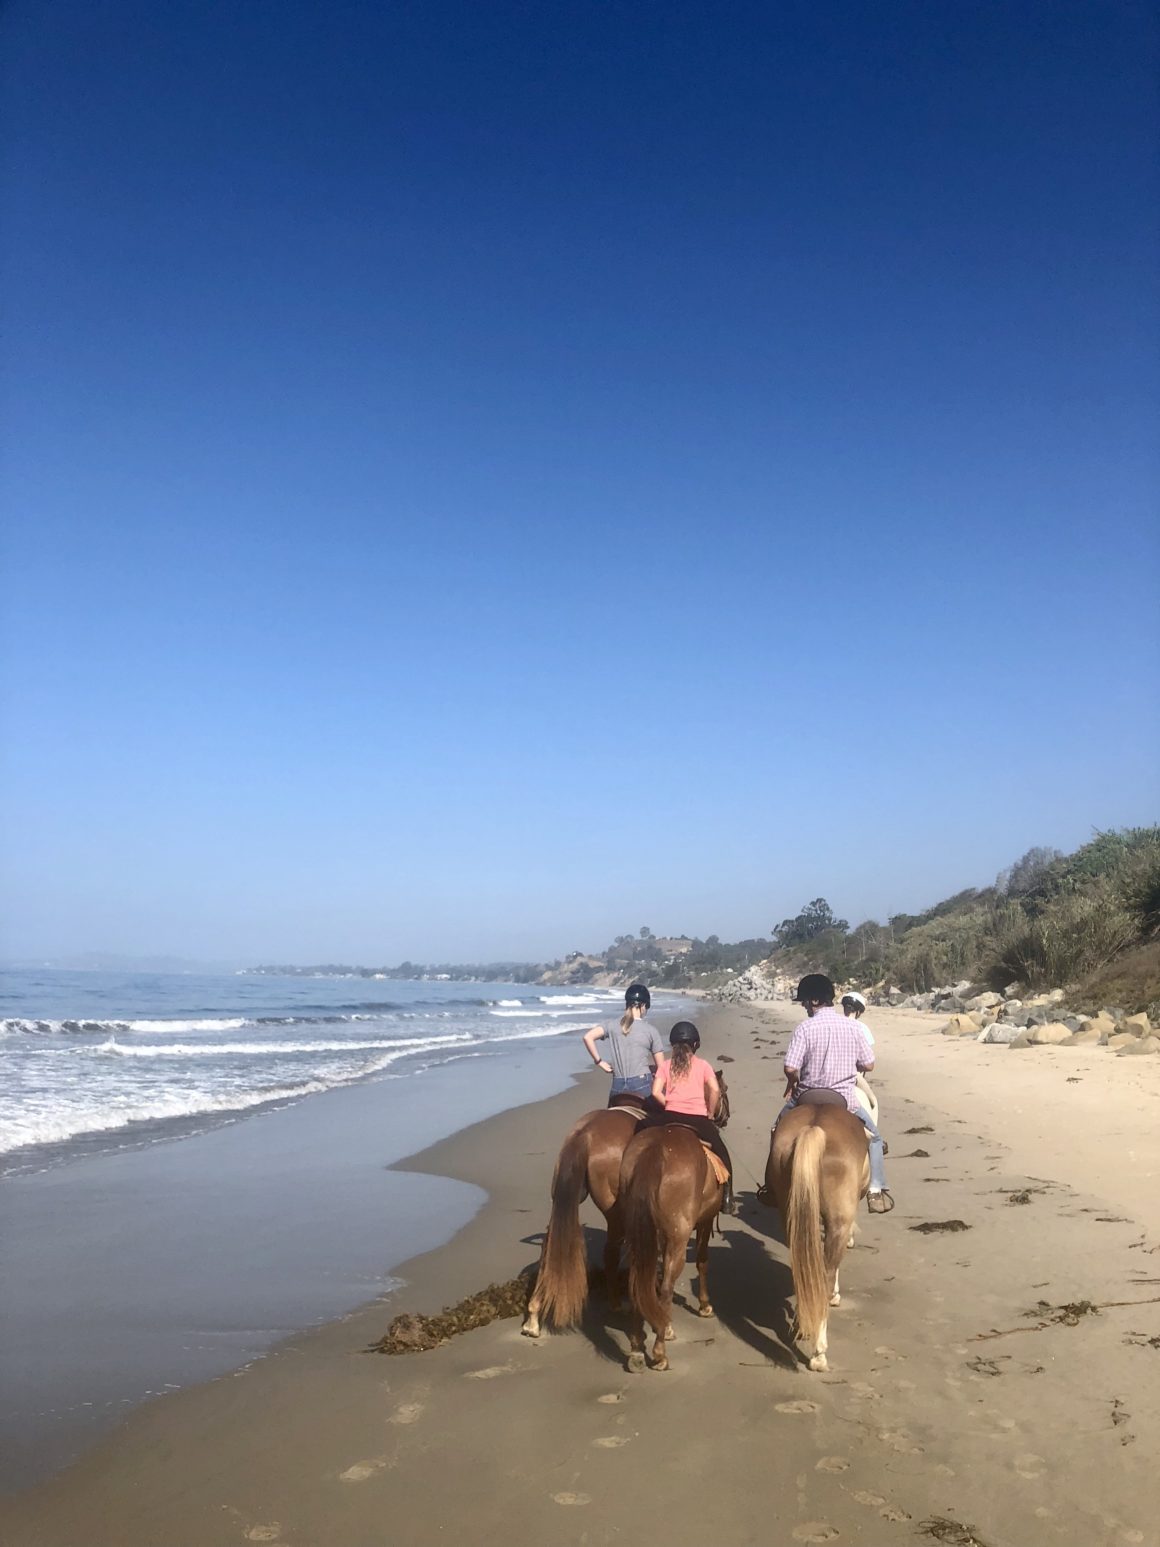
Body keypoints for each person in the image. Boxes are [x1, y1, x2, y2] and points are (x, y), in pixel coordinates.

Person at [779, 973, 894, 1214]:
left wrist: (792, 1082)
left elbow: (790, 1067)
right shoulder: (853, 1027)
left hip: (807, 1096)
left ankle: (773, 1187)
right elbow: (869, 1064)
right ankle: (876, 1190)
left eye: (804, 1002)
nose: (803, 1007)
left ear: (814, 1002)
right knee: (874, 1138)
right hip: (843, 1098)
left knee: (778, 1130)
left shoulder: (805, 1027)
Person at [641, 1021, 738, 1216]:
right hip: (697, 1119)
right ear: (695, 1045)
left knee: (640, 1129)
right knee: (722, 1152)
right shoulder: (703, 1065)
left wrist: (668, 1103)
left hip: (669, 1115)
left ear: (673, 1045)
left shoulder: (666, 1065)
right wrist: (710, 1113)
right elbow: (715, 1090)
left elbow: (655, 1091)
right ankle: (727, 1196)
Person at [581, 984, 664, 1106]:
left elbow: (587, 1037)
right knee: (662, 1116)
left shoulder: (612, 1025)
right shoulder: (651, 1031)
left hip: (618, 1086)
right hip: (641, 1085)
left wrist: (599, 1062)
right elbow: (662, 1068)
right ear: (643, 1006)